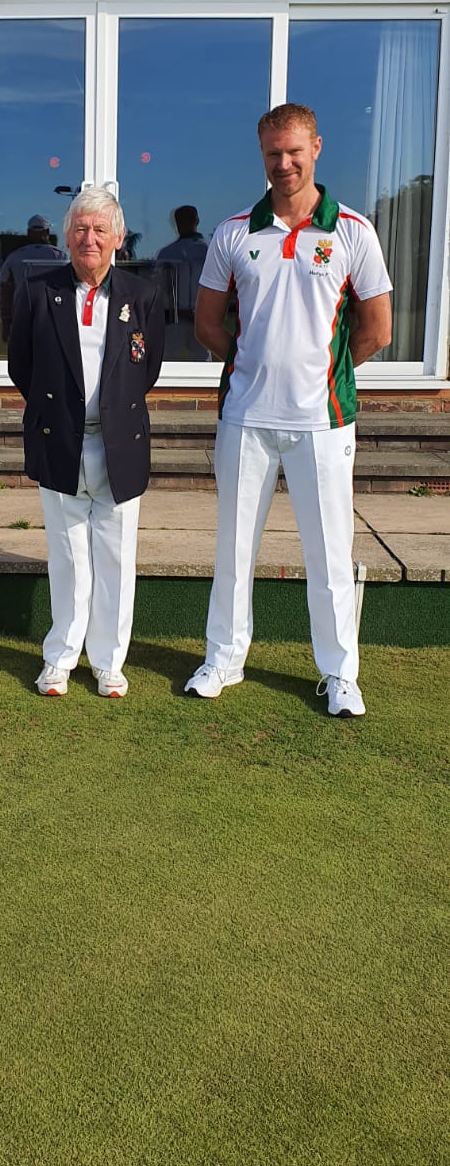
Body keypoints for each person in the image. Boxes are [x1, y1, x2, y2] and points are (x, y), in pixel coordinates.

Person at [186, 103, 393, 717]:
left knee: (328, 555)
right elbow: (205, 323)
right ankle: (223, 659)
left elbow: (376, 330)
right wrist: (254, 363)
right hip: (245, 419)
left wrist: (321, 374)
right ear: (262, 155)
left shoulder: (352, 230)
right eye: (273, 153)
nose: (284, 163)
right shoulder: (233, 232)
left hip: (323, 422)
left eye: (294, 152)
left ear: (316, 149)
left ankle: (339, 675)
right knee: (232, 549)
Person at [8, 187, 165, 698]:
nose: (89, 239)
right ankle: (60, 658)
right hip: (61, 441)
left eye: (100, 229)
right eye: (80, 229)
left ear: (118, 236)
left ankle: (108, 663)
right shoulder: (37, 289)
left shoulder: (142, 296)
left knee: (117, 555)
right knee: (68, 554)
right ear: (65, 235)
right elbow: (21, 366)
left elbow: (149, 368)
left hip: (118, 442)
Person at [155, 204, 210, 361]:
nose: (183, 224)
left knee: (204, 370)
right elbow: (159, 291)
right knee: (168, 367)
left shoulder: (208, 252)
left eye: (186, 220)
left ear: (196, 221)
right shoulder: (167, 253)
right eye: (181, 221)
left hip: (201, 321)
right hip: (174, 321)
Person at [0, 213, 66, 340]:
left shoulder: (14, 257)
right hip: (53, 317)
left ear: (28, 232)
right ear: (47, 232)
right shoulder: (61, 256)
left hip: (22, 316)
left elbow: (4, 290)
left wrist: (6, 326)